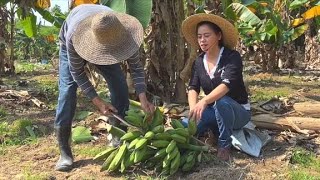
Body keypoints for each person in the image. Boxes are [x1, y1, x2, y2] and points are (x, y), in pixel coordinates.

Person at [55, 4, 154, 171]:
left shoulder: (125, 34)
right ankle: (65, 152)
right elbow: (77, 74)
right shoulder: (74, 36)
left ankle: (118, 139)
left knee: (120, 86)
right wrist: (98, 102)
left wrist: (143, 97)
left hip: (108, 40)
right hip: (75, 39)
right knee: (67, 93)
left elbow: (136, 68)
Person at [181, 13, 251, 161]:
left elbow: (226, 85)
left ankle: (224, 144)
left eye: (206, 35)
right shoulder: (199, 62)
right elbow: (193, 87)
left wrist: (204, 101)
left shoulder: (232, 57)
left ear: (219, 36)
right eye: (199, 36)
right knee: (184, 127)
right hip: (213, 111)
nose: (202, 40)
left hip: (238, 112)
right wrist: (194, 108)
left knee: (222, 102)